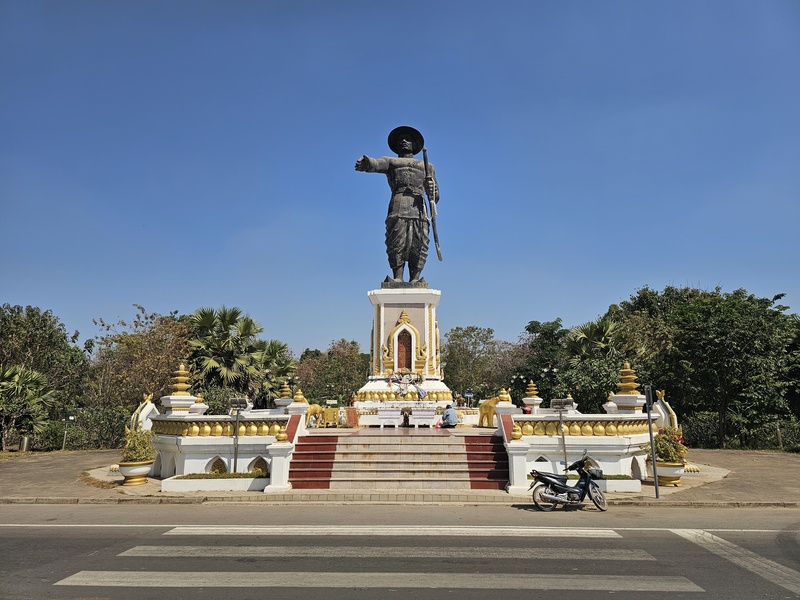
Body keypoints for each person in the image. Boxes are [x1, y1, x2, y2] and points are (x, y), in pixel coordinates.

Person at [355, 126, 439, 283]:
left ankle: (415, 278)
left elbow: (436, 196)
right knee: (396, 239)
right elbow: (376, 164)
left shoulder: (427, 166)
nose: (405, 141)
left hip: (419, 208)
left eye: (408, 139)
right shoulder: (391, 162)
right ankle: (398, 277)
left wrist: (431, 188)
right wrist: (367, 163)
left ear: (415, 144)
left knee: (419, 241)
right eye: (401, 139)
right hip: (398, 203)